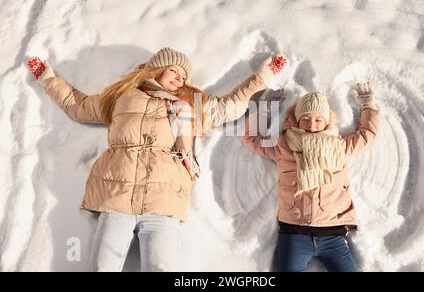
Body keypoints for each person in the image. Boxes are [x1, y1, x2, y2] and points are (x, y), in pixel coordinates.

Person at [28, 47, 287, 271]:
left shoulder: (187, 104)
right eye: (174, 70)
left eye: (184, 76)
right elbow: (80, 106)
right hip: (118, 197)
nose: (180, 77)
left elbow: (226, 108)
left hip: (163, 203)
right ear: (157, 68)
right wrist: (49, 79)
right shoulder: (122, 97)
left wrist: (260, 79)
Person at [242, 83, 380, 272]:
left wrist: (368, 105)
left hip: (334, 235)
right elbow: (252, 139)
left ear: (326, 122)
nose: (311, 125)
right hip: (294, 234)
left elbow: (367, 135)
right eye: (305, 119)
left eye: (317, 119)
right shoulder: (285, 146)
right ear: (297, 121)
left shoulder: (339, 146)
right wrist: (266, 108)